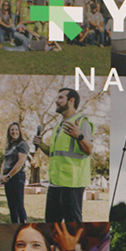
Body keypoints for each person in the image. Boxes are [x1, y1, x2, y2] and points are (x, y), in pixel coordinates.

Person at [32, 88, 94, 223]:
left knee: (73, 224)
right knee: (51, 223)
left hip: (72, 183)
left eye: (60, 98)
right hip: (55, 182)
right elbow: (53, 153)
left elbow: (89, 149)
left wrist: (79, 136)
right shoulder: (58, 126)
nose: (56, 101)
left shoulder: (82, 122)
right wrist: (40, 144)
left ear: (71, 101)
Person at [0, 122, 29, 223]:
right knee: (11, 205)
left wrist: (8, 176)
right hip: (7, 177)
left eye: (16, 129)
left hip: (17, 176)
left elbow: (20, 162)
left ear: (19, 131)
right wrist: (1, 175)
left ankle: (23, 225)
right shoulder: (9, 145)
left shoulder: (22, 144)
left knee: (19, 205)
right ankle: (14, 225)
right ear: (9, 132)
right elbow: (4, 161)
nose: (14, 132)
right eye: (12, 130)